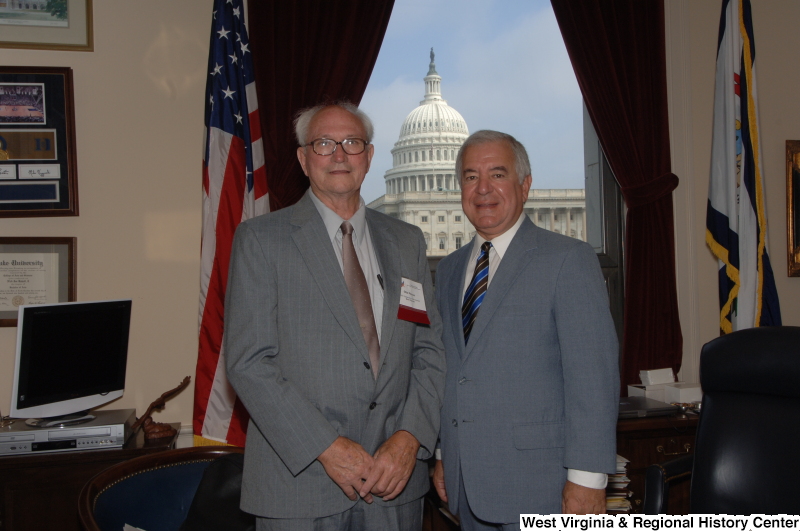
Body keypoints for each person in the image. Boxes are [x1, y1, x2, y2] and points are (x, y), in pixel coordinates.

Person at [225, 102, 446, 531]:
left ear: (369, 156)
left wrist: (409, 438)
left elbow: (429, 351)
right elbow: (249, 362)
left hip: (394, 484)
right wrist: (326, 447)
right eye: (324, 143)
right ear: (304, 159)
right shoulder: (261, 240)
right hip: (300, 486)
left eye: (352, 143)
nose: (340, 155)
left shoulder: (407, 242)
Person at [433, 130, 619, 527]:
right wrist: (444, 455)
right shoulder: (448, 270)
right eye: (470, 177)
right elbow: (452, 374)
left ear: (525, 185)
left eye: (497, 174)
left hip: (543, 486)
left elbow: (593, 377)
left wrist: (587, 478)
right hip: (466, 485)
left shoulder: (569, 260)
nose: (482, 189)